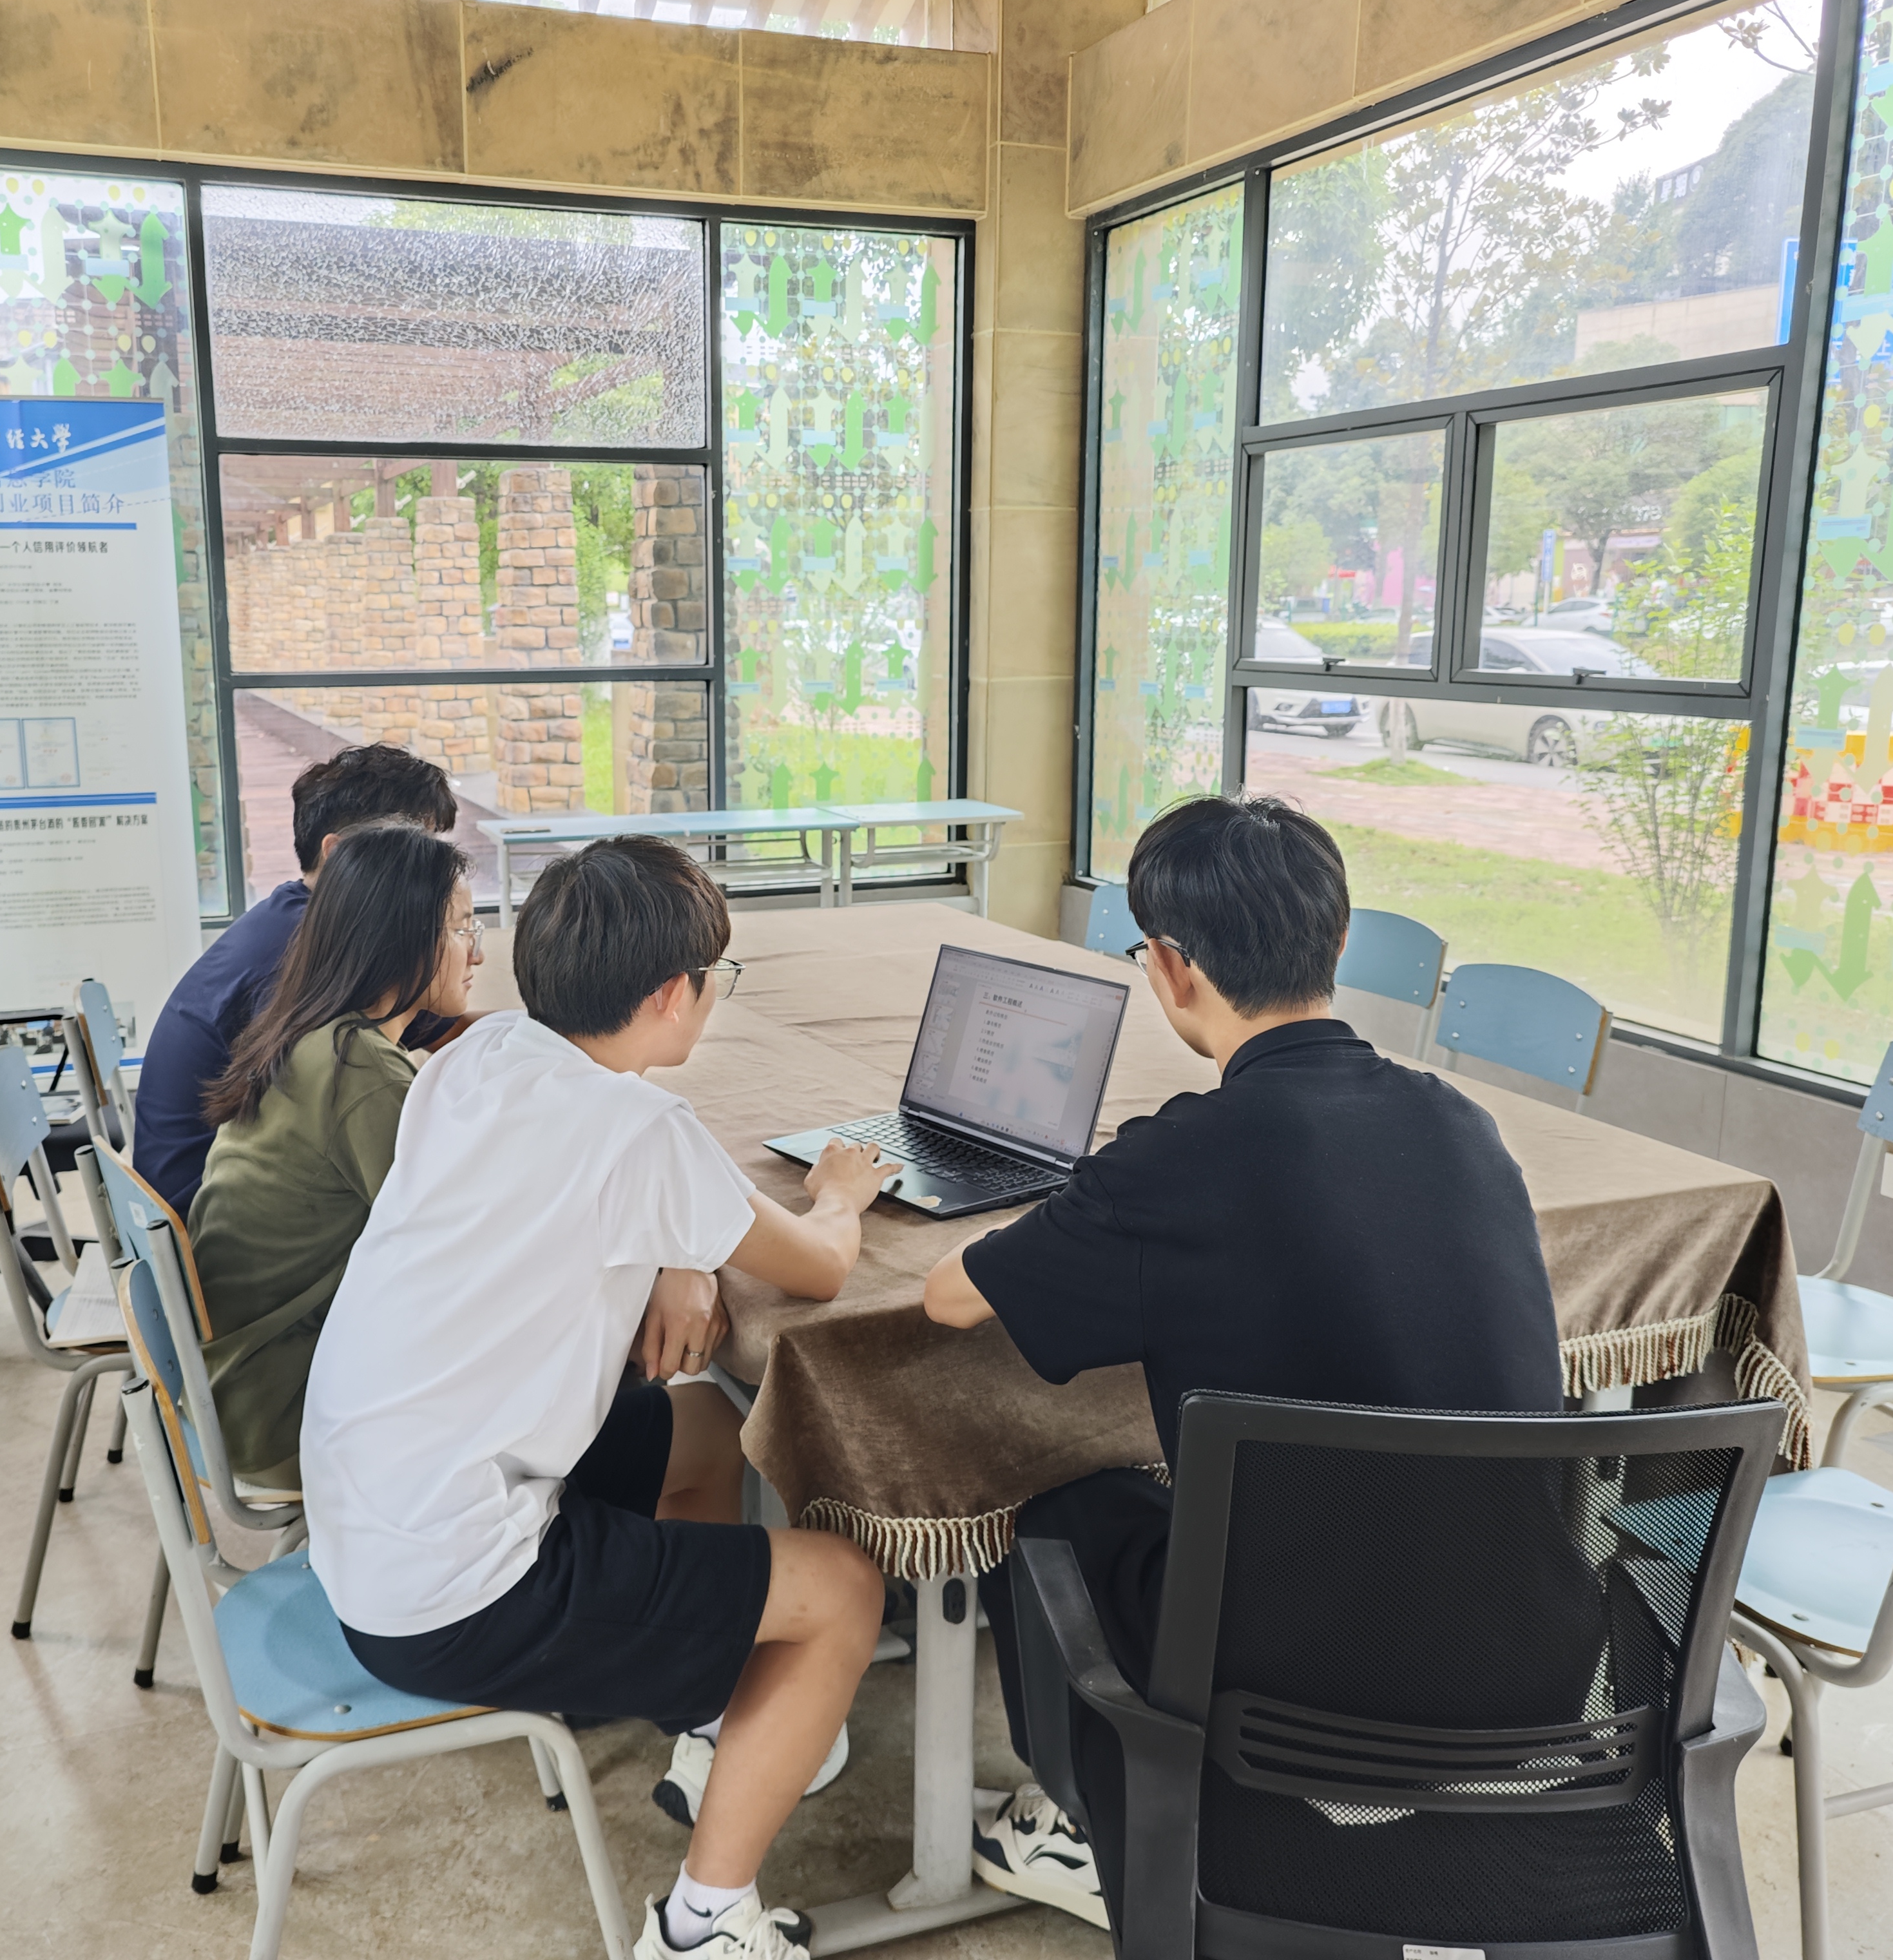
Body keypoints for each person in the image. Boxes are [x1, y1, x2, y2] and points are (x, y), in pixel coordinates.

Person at [921, 793, 1564, 1936]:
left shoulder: (1181, 1157)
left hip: (1295, 1686)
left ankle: (1091, 1829)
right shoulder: (1463, 1123)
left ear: (1171, 968)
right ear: (1338, 939)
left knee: (1064, 1509)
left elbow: (951, 1297)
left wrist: (1084, 1205)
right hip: (1532, 1661)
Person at [300, 837, 898, 1960]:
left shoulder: (474, 1056)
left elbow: (602, 1184)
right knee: (845, 1589)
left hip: (364, 1523)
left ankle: (712, 1711)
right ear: (673, 995)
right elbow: (819, 1267)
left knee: (709, 1424)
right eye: (715, 979)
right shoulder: (645, 1134)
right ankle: (703, 1926)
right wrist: (841, 1190)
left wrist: (684, 1254)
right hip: (456, 1592)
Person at [186, 820, 479, 1486]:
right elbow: (465, 1252)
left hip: (236, 1383)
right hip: (283, 1412)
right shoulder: (359, 1071)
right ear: (404, 938)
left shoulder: (312, 1031)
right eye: (463, 929)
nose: (477, 954)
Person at [133, 743, 470, 1217]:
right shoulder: (301, 950)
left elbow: (437, 1034)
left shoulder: (294, 919)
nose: (430, 869)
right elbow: (432, 1211)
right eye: (412, 849)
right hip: (206, 1218)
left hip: (207, 1209)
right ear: (338, 853)